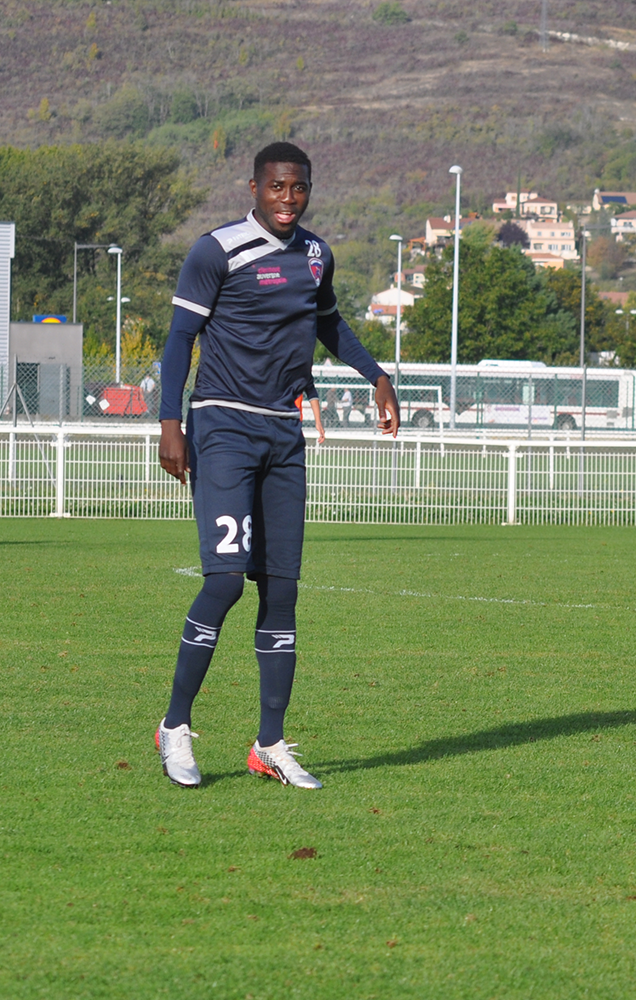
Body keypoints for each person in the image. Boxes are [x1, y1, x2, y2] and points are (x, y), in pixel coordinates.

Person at [154, 141, 398, 789]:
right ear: (254, 187)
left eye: (299, 188)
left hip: (283, 435)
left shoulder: (317, 255)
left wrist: (376, 375)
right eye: (277, 187)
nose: (288, 199)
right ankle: (174, 727)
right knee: (226, 580)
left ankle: (270, 744)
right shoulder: (216, 250)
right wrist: (169, 422)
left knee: (281, 589)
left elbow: (330, 324)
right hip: (222, 425)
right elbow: (180, 338)